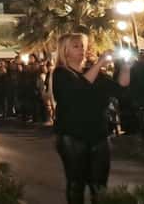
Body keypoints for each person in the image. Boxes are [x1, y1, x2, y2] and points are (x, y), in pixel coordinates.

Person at [52, 33, 131, 204]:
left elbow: (120, 89)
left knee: (99, 185)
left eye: (82, 45)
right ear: (65, 51)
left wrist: (126, 66)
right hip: (73, 136)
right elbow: (79, 90)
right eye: (76, 46)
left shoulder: (95, 73)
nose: (81, 49)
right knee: (76, 184)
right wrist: (100, 63)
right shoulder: (61, 74)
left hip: (98, 134)